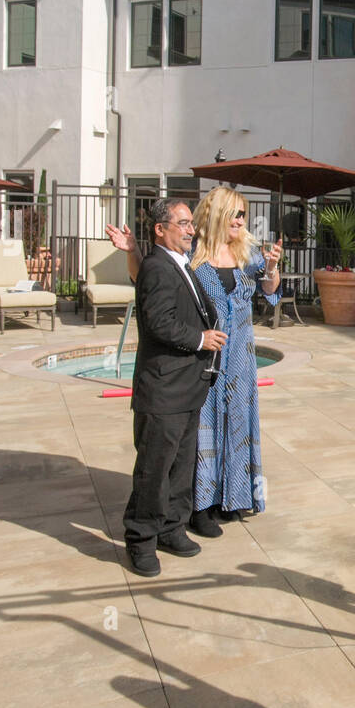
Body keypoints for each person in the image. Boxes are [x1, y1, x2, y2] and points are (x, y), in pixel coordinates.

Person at [107, 187, 281, 542]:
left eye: (243, 215)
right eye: (233, 214)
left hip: (242, 358)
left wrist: (273, 268)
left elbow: (270, 290)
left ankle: (233, 497)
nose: (239, 221)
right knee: (203, 432)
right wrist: (133, 252)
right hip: (205, 358)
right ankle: (200, 506)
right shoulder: (192, 251)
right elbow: (149, 278)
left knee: (237, 425)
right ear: (216, 214)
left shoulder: (247, 252)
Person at [122, 198, 228, 577]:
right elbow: (159, 324)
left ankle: (170, 528)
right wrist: (201, 340)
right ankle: (141, 540)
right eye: (182, 223)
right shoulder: (155, 267)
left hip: (187, 387)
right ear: (160, 229)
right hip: (163, 390)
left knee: (180, 467)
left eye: (190, 224)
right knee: (154, 469)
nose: (190, 230)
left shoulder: (182, 264)